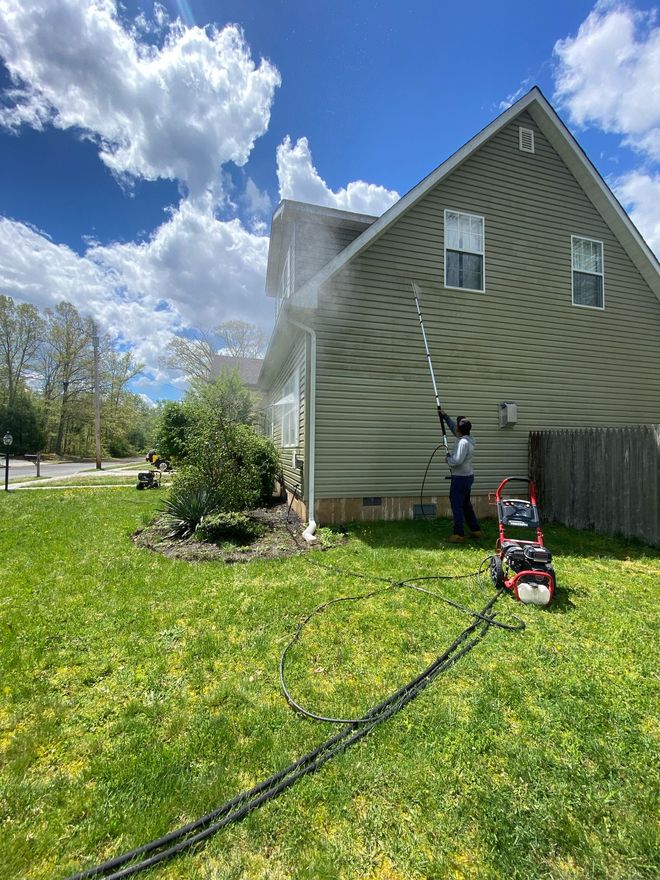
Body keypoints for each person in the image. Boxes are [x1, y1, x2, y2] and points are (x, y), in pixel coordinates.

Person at [440, 410, 482, 543]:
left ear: (460, 429)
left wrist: (448, 459)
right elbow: (454, 429)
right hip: (467, 477)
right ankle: (475, 530)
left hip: (460, 478)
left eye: (457, 425)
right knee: (465, 504)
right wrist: (445, 417)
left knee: (457, 505)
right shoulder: (468, 438)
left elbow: (457, 460)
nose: (455, 427)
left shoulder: (463, 443)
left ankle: (458, 534)